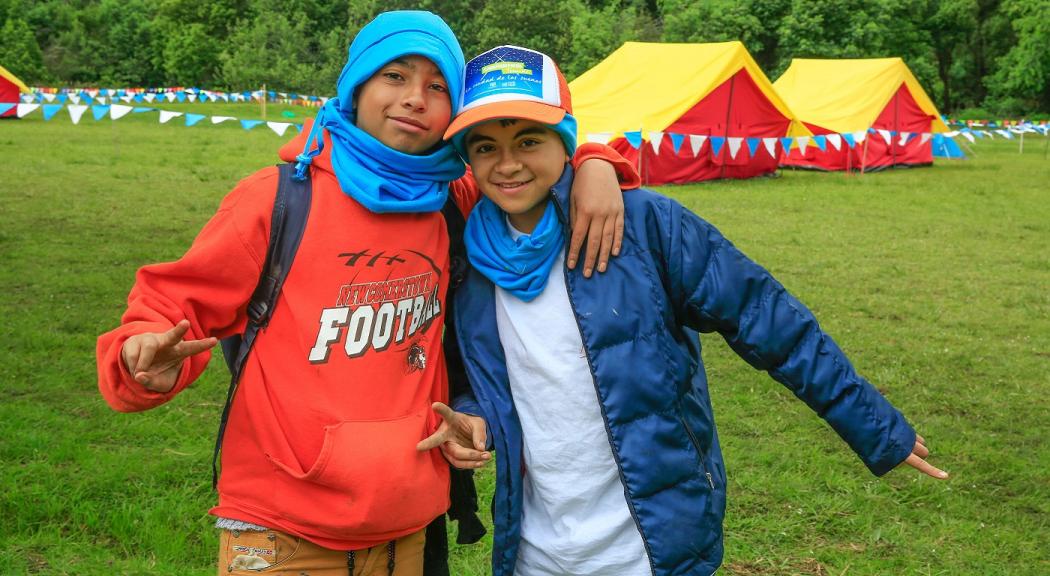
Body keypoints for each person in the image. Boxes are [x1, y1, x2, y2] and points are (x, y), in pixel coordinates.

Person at [96, 13, 636, 576]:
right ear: (357, 85)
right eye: (395, 76)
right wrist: (139, 358)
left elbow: (530, 163)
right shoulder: (277, 200)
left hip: (412, 524)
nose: (414, 99)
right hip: (282, 530)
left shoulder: (455, 198)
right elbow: (172, 305)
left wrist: (595, 163)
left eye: (437, 87)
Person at [429, 45, 949, 576]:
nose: (509, 162)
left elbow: (769, 319)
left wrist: (875, 427)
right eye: (486, 145)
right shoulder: (470, 253)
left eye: (530, 140)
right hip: (535, 548)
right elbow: (490, 371)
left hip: (649, 543)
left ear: (565, 141)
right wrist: (475, 412)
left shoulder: (646, 226)